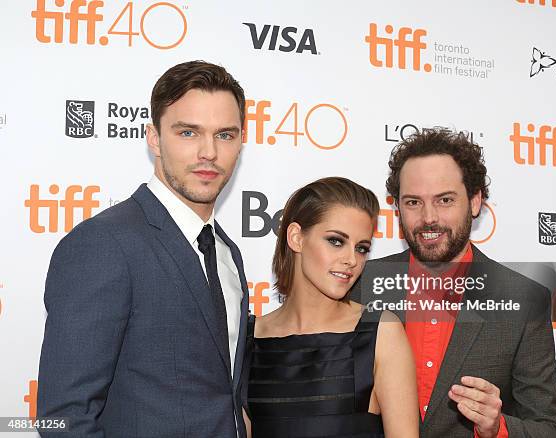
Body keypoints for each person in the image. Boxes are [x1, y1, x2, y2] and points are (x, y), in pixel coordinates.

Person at [37, 61, 250, 437]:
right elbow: (65, 417)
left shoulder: (226, 252)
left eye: (226, 135)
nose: (209, 152)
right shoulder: (103, 244)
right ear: (154, 138)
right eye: (188, 132)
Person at [353, 128, 556, 437]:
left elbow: (550, 430)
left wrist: (498, 427)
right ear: (397, 206)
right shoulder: (360, 285)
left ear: (475, 201)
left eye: (444, 200)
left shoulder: (523, 299)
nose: (428, 218)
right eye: (413, 202)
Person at [243, 177, 420, 438]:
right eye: (336, 241)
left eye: (361, 248)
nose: (351, 260)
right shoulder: (247, 338)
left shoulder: (380, 332)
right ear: (296, 237)